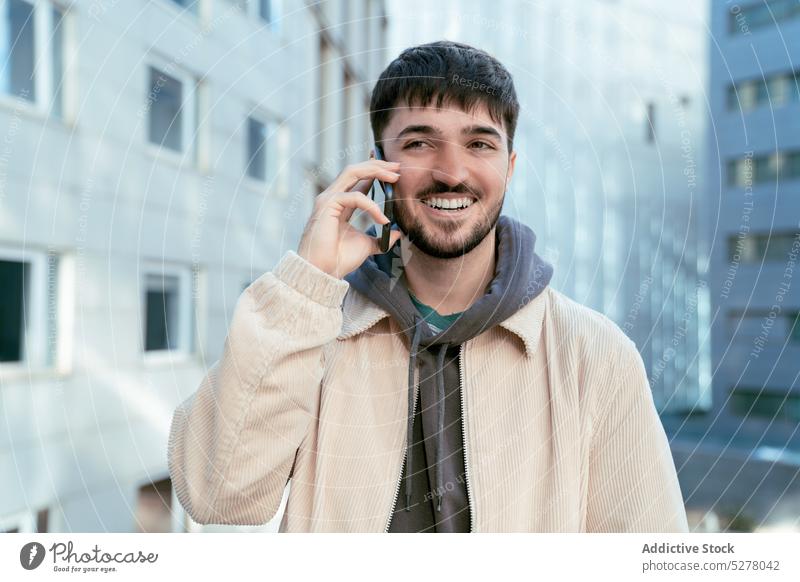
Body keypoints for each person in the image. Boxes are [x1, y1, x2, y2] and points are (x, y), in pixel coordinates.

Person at [167, 40, 689, 533]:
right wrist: (308, 281)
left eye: (479, 144)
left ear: (509, 168)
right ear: (379, 166)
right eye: (419, 142)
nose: (451, 171)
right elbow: (218, 496)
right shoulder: (314, 327)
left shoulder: (595, 356)